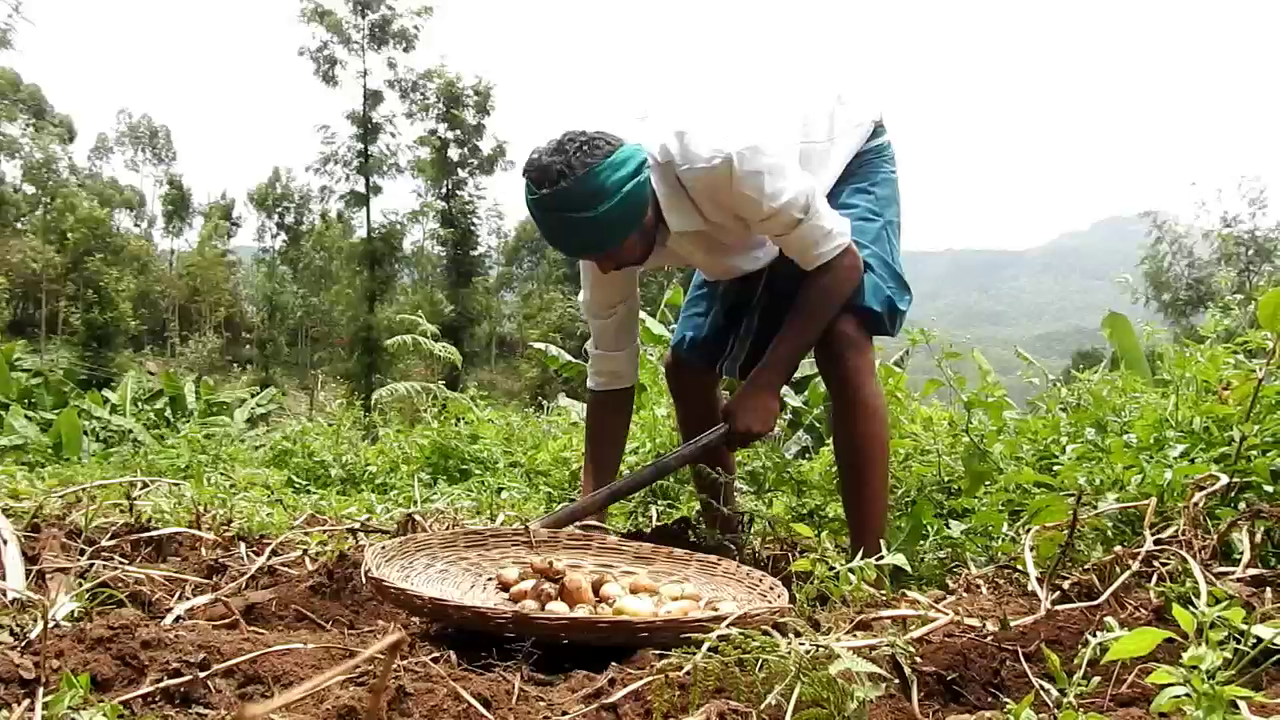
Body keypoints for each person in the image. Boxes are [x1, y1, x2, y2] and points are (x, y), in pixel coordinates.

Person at [521, 97, 911, 559]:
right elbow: (610, 374)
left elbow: (841, 264)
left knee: (842, 336)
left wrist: (766, 385)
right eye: (588, 256)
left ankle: (869, 563)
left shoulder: (726, 167)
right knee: (686, 365)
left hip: (842, 160)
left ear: (641, 209)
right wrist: (591, 513)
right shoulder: (601, 240)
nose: (604, 268)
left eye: (607, 250)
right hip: (750, 215)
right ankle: (725, 547)